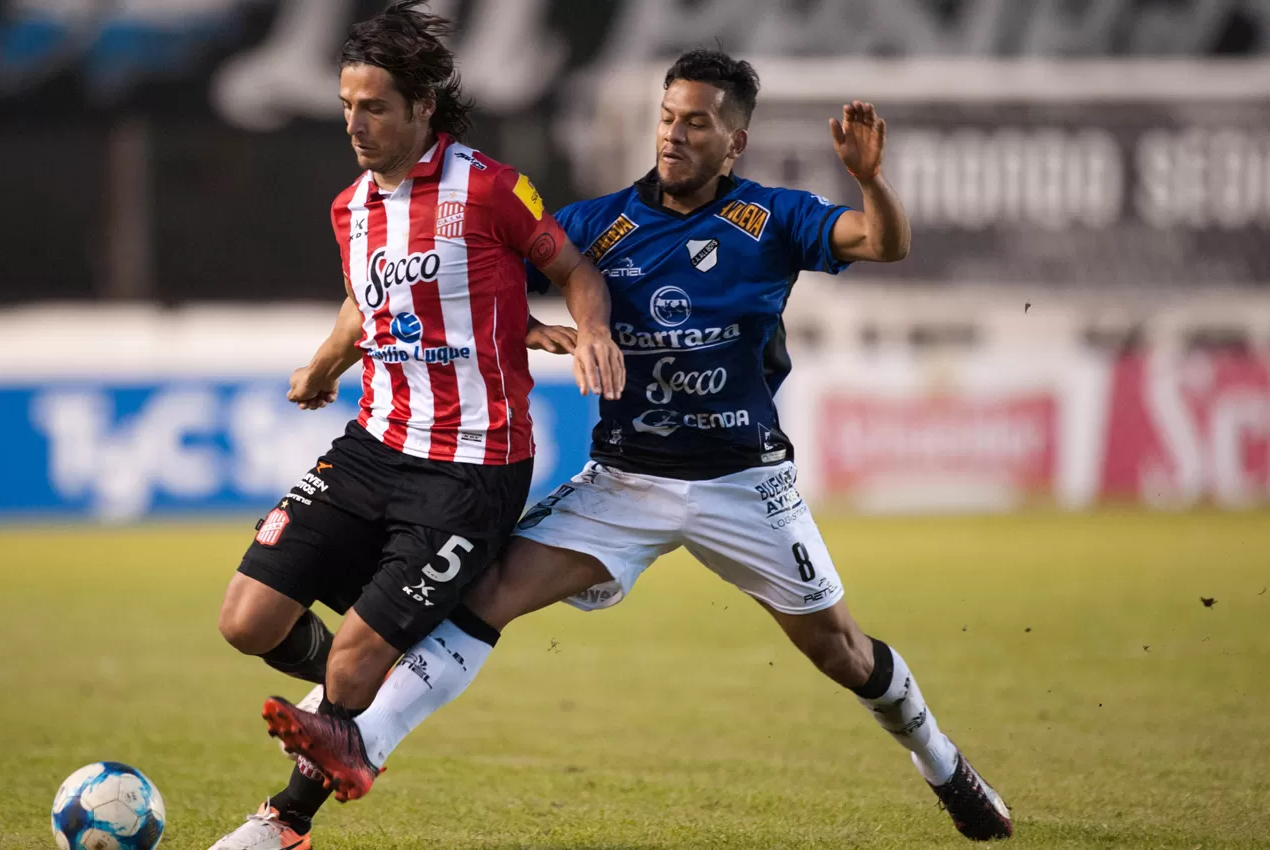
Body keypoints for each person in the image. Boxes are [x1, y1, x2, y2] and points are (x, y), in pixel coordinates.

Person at [258, 49, 1015, 844]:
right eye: (667, 118)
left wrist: (870, 179)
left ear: (736, 143)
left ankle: (943, 764)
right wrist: (339, 359)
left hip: (744, 484)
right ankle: (319, 785)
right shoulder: (597, 224)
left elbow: (883, 242)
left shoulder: (775, 219)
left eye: (698, 123)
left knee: (843, 653)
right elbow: (447, 284)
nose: (675, 136)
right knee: (482, 598)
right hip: (625, 482)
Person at [206, 3, 625, 848]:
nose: (356, 126)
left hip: (469, 467)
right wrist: (326, 364)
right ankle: (358, 678)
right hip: (374, 444)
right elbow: (369, 303)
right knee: (246, 620)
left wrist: (592, 330)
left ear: (423, 106)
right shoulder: (350, 208)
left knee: (356, 661)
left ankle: (286, 820)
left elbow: (570, 268)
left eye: (375, 108)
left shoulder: (490, 187)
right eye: (347, 107)